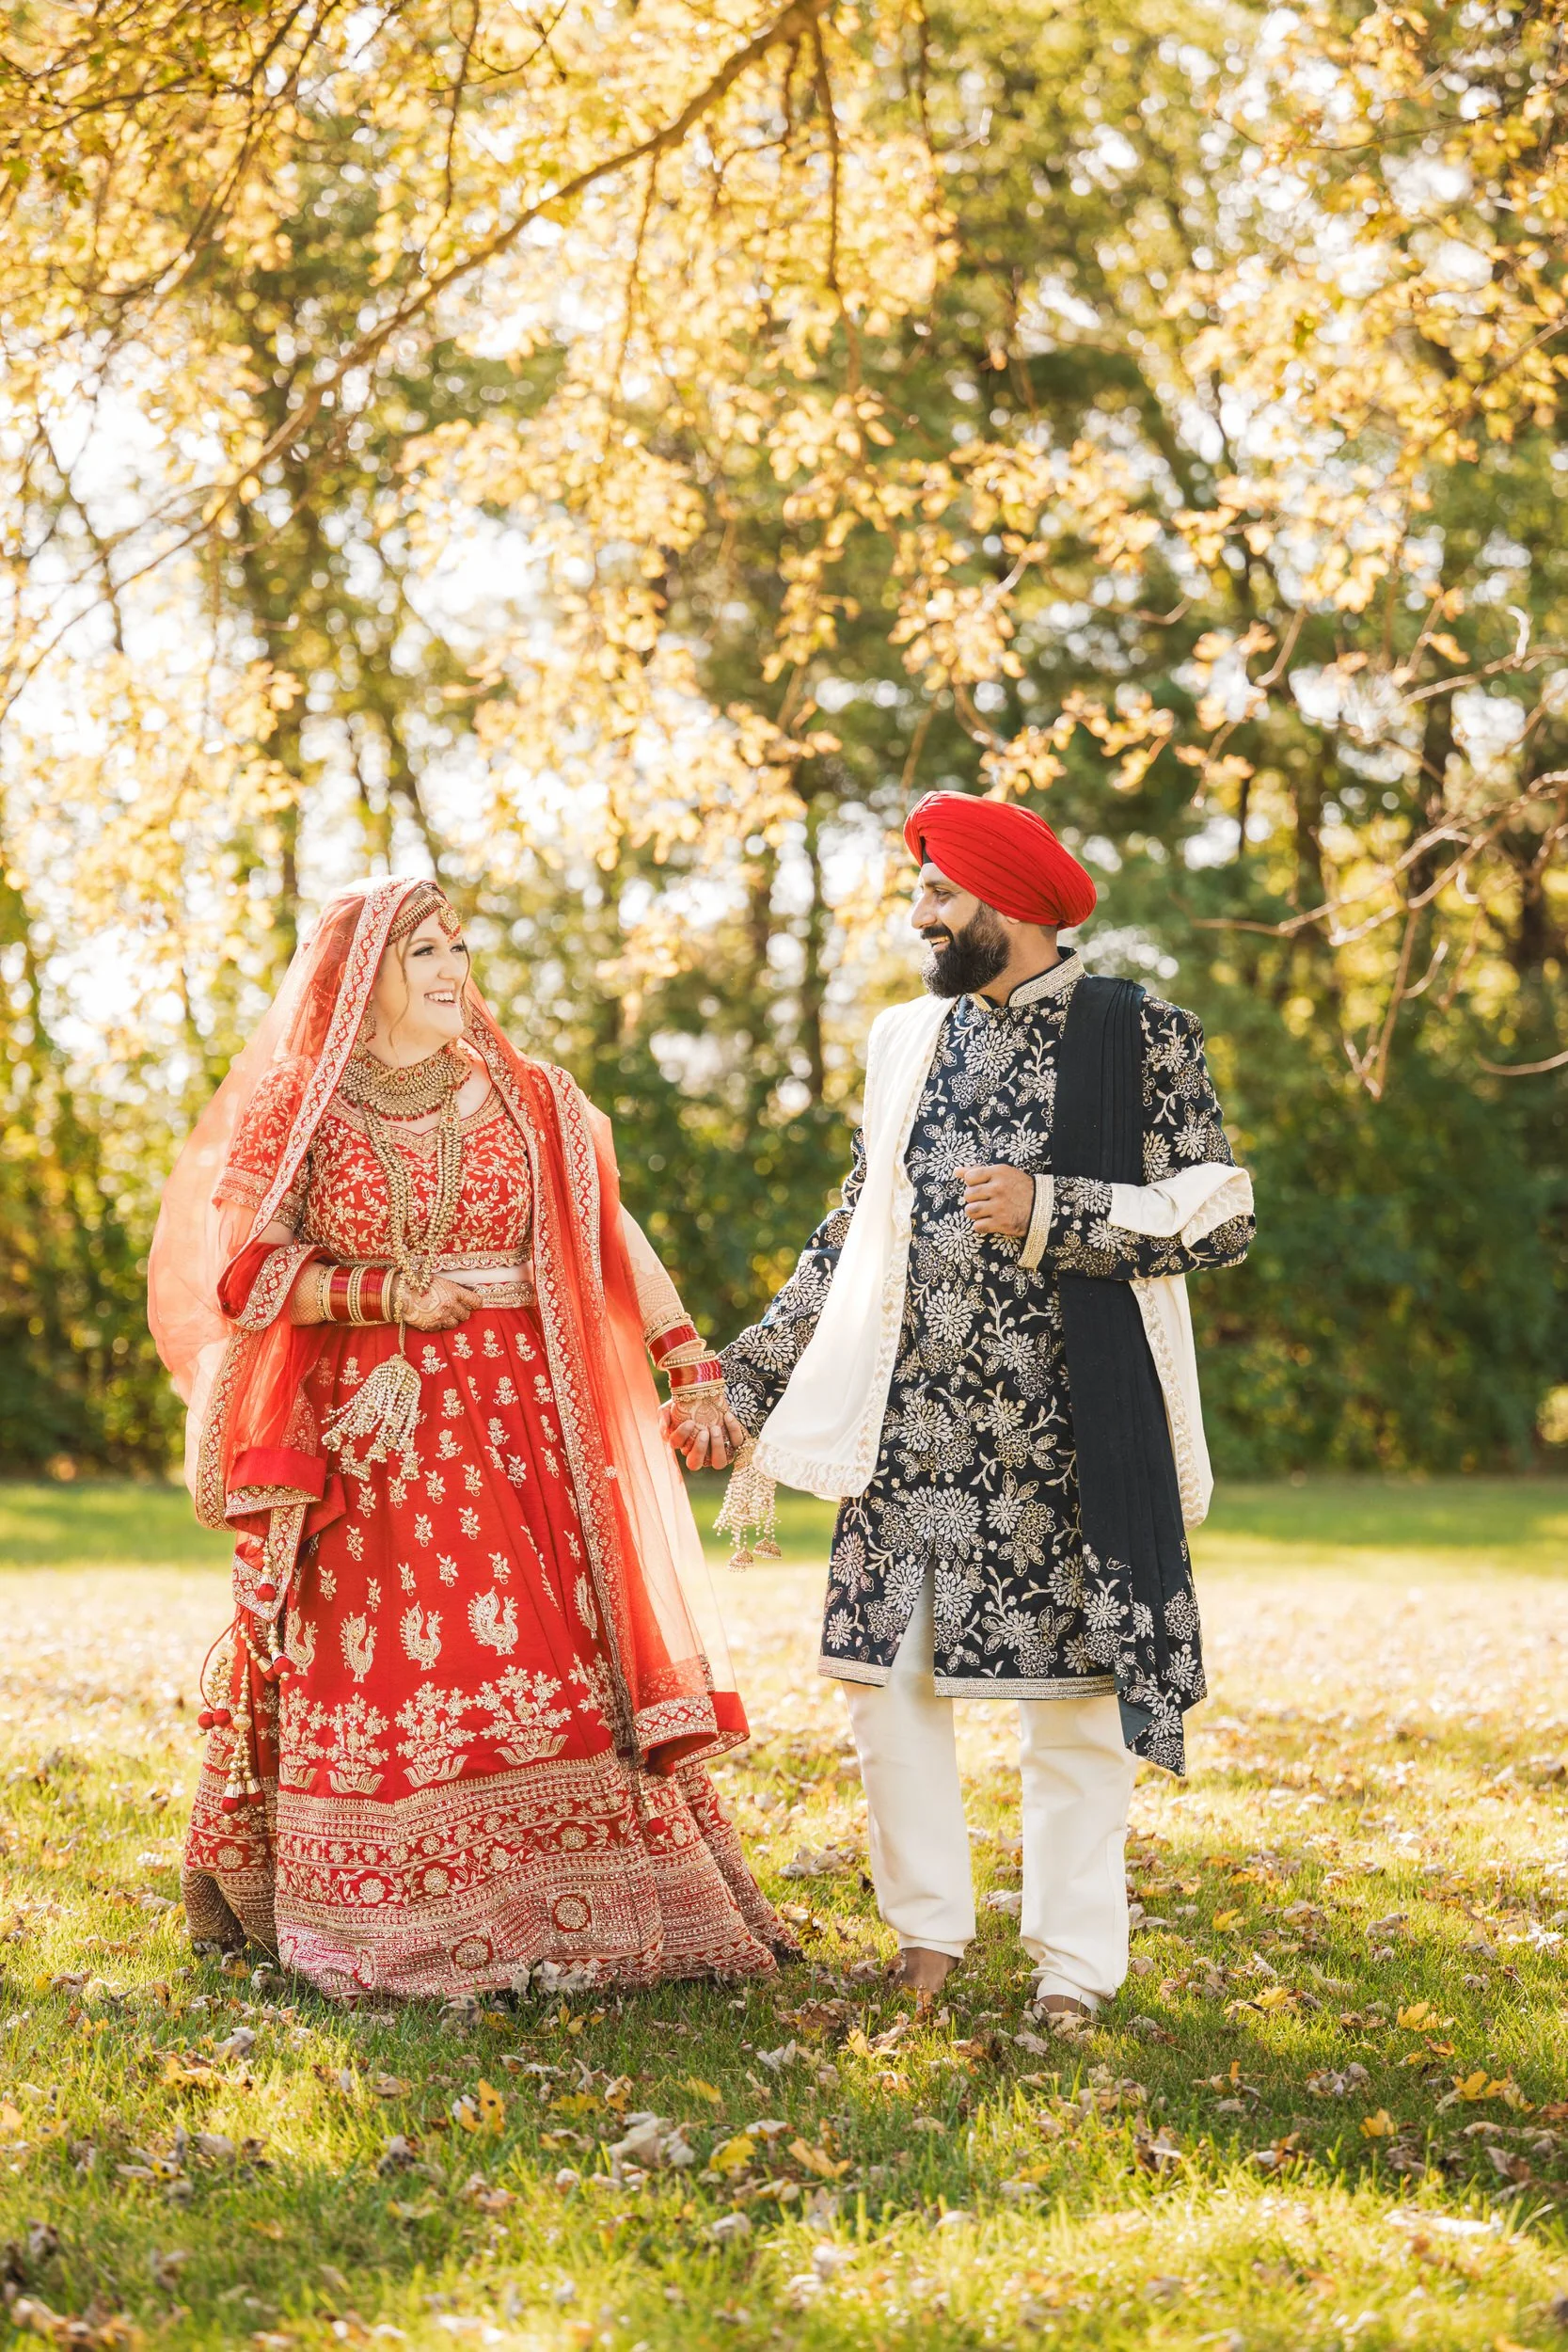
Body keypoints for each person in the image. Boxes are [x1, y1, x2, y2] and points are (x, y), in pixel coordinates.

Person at [149, 878, 791, 1999]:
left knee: (550, 1656)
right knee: (402, 1663)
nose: (452, 970)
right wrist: (374, 1292)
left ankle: (585, 1914)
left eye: (458, 948)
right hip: (373, 1435)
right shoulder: (301, 1103)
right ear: (364, 974)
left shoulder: (527, 1091)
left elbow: (607, 1228)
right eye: (424, 952)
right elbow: (243, 1273)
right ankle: (397, 1916)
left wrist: (687, 1359)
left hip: (527, 1425)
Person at [673, 792, 1254, 2014]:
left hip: (1065, 1435)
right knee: (884, 1693)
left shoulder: (1138, 1032)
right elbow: (850, 1235)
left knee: (1075, 1721)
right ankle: (926, 1940)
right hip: (907, 1432)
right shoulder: (903, 1040)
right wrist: (746, 1373)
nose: (918, 915)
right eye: (918, 893)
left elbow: (1217, 1211)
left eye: (938, 895)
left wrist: (1054, 1214)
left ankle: (1072, 1972)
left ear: (1011, 904)